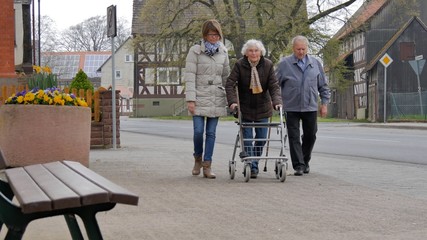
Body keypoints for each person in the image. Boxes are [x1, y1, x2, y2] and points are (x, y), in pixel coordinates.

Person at [226, 39, 282, 178]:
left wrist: (277, 102)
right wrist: (233, 102)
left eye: (256, 50)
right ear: (246, 53)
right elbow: (230, 84)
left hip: (263, 108)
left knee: (262, 139)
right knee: (247, 139)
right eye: (250, 50)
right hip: (244, 108)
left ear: (261, 52)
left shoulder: (268, 65)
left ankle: (253, 161)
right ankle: (252, 166)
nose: (253, 53)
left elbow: (274, 86)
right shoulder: (240, 65)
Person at [276, 35, 330, 176]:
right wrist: (276, 100)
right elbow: (275, 85)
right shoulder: (284, 64)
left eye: (303, 49)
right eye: (298, 49)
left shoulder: (315, 63)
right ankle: (298, 165)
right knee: (294, 136)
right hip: (291, 106)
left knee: (310, 135)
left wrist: (324, 103)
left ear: (307, 48)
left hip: (310, 106)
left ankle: (305, 161)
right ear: (293, 49)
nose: (301, 52)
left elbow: (323, 85)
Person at [184, 19, 230, 179]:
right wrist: (190, 99)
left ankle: (207, 165)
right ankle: (197, 158)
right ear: (205, 34)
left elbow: (226, 77)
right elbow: (189, 76)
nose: (214, 37)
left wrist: (231, 98)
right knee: (198, 131)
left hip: (216, 96)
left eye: (217, 34)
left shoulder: (223, 52)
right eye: (211, 34)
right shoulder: (195, 51)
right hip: (198, 95)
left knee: (211, 133)